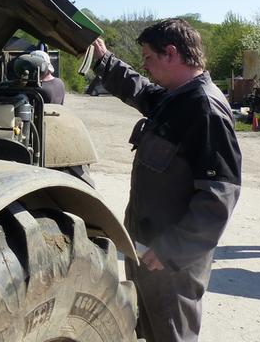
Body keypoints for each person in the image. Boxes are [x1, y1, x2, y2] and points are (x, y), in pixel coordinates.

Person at [91, 18, 241, 342]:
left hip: (171, 264)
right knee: (150, 330)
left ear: (171, 53)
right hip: (150, 251)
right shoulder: (177, 98)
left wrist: (171, 249)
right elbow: (140, 90)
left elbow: (219, 196)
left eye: (148, 58)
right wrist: (104, 62)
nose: (144, 66)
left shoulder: (205, 109)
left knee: (172, 334)